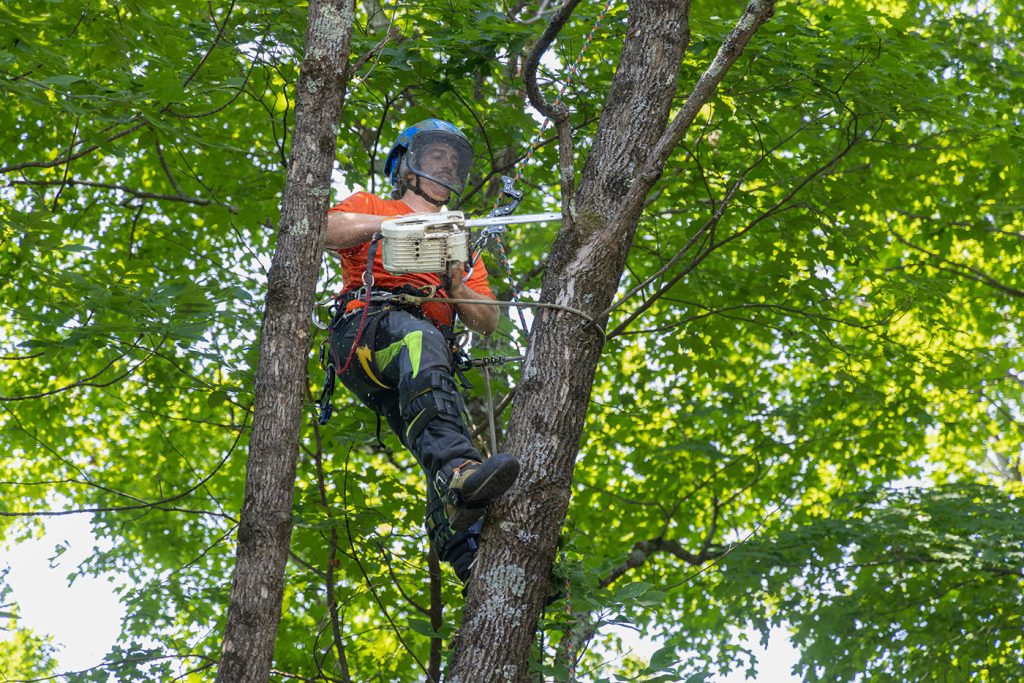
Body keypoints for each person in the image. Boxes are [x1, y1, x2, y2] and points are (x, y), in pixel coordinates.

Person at [321, 119, 519, 589]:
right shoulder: (373, 206)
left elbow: (487, 319)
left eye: (453, 162)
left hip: (422, 358)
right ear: (407, 166)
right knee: (422, 346)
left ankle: (468, 557)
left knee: (436, 428)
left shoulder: (460, 244)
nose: (446, 167)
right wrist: (394, 224)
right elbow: (326, 228)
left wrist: (453, 283)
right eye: (436, 158)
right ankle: (458, 471)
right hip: (370, 331)